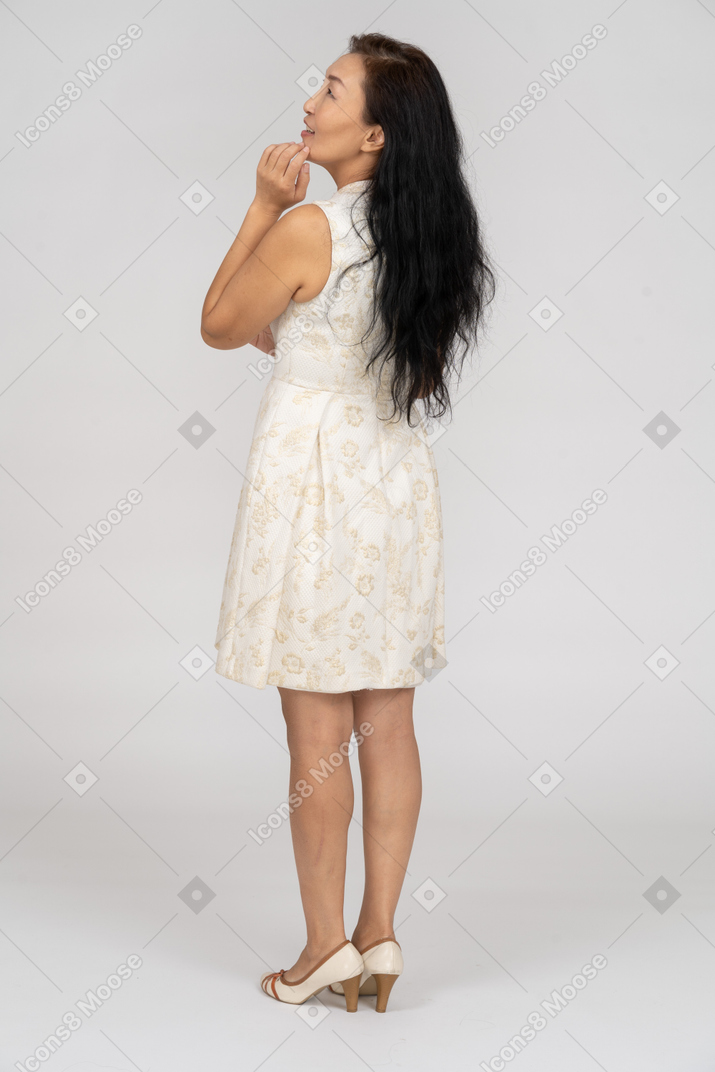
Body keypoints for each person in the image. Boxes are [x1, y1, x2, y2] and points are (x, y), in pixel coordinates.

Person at [201, 32, 495, 1011]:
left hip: (312, 486)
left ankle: (323, 944)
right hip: (394, 484)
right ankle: (381, 932)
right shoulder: (426, 237)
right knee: (388, 717)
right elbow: (266, 326)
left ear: (371, 135)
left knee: (316, 727)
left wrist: (260, 207)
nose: (311, 101)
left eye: (331, 91)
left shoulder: (307, 230)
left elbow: (217, 321)